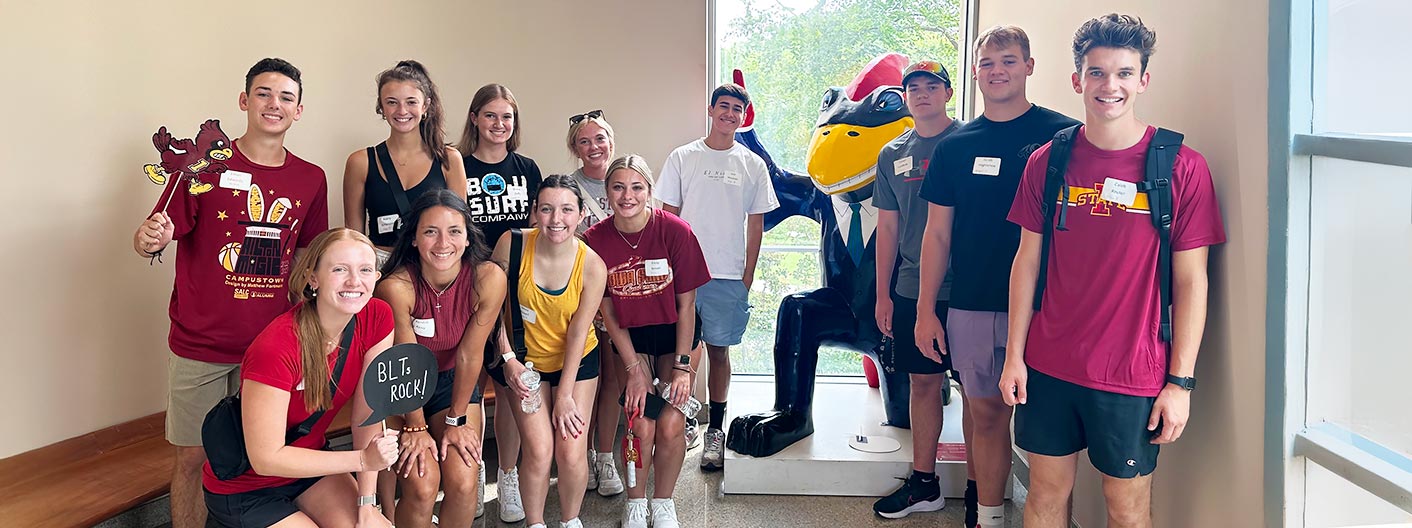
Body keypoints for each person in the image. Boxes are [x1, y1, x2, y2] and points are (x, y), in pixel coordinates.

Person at [999, 14, 1225, 528]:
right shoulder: (1046, 162)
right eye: (1097, 73)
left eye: (1124, 73)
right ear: (1077, 80)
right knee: (1045, 497)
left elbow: (1193, 282)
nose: (1110, 86)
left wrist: (1181, 383)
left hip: (1133, 373)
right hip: (1049, 365)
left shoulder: (1181, 168)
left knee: (1126, 511)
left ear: (1143, 80)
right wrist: (1014, 356)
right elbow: (1025, 262)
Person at [132, 58, 329, 528]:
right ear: (244, 101)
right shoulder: (203, 169)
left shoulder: (311, 179)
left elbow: (308, 261)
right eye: (263, 93)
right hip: (199, 347)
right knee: (191, 461)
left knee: (258, 464)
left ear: (299, 110)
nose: (273, 105)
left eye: (285, 97)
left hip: (270, 350)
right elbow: (157, 234)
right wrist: (147, 239)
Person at [914, 26, 1081, 527]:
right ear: (974, 73)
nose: (997, 71)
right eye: (987, 63)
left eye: (1008, 60)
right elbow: (936, 236)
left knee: (1051, 435)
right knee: (985, 418)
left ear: (1029, 66)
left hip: (1047, 307)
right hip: (973, 304)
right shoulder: (955, 147)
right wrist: (926, 310)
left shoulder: (1065, 138)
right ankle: (986, 518)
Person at [201, 228, 397, 528]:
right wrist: (361, 461)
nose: (354, 281)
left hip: (309, 467)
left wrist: (367, 504)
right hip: (247, 487)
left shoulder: (378, 317)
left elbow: (367, 416)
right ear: (313, 278)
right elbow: (266, 458)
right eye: (339, 269)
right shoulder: (276, 346)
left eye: (365, 270)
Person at [654, 83, 778, 471]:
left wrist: (747, 276)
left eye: (736, 109)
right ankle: (684, 421)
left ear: (744, 116)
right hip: (684, 274)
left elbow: (755, 225)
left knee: (720, 351)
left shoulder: (752, 164)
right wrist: (668, 271)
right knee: (682, 354)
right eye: (723, 106)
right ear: (711, 110)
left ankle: (715, 432)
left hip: (727, 274)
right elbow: (667, 218)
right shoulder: (683, 156)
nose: (729, 114)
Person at [584, 155, 710, 528]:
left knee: (671, 422)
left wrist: (683, 367)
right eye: (618, 187)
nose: (628, 195)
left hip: (677, 334)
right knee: (640, 421)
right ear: (607, 193)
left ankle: (664, 501)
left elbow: (688, 305)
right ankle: (636, 500)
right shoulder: (595, 240)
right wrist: (633, 368)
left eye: (637, 187)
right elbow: (606, 311)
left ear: (650, 191)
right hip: (629, 335)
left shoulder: (675, 231)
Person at [373, 190, 506, 527]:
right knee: (421, 482)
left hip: (451, 383)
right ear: (414, 238)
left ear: (467, 237)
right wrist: (416, 426)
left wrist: (456, 420)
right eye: (430, 231)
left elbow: (469, 354)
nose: (442, 242)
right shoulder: (397, 286)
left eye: (454, 231)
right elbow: (406, 363)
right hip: (398, 387)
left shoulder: (487, 278)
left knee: (464, 479)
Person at [869, 59, 962, 520]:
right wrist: (883, 293)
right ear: (905, 98)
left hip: (969, 290)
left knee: (981, 394)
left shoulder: (968, 141)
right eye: (914, 87)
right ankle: (925, 483)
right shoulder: (892, 154)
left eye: (932, 86)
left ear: (947, 92)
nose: (922, 93)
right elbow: (887, 228)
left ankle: (985, 494)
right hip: (910, 287)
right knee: (923, 383)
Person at [488, 175, 607, 528]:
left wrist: (566, 395)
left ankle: (571, 520)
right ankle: (535, 523)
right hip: (523, 361)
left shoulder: (592, 265)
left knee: (571, 449)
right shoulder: (511, 245)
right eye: (547, 209)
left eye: (567, 209)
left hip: (576, 361)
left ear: (582, 214)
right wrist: (507, 359)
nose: (557, 219)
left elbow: (578, 333)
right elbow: (491, 311)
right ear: (534, 212)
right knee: (539, 450)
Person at [457, 82, 541, 522]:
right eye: (490, 115)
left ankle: (507, 473)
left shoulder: (527, 169)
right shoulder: (456, 164)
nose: (498, 124)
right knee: (470, 383)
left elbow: (536, 231)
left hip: (512, 290)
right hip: (466, 286)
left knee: (509, 386)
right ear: (474, 118)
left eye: (506, 116)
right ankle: (471, 475)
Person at [342, 60, 468, 267]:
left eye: (411, 102)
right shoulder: (360, 162)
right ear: (381, 107)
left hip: (432, 266)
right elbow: (354, 237)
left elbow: (458, 229)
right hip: (381, 266)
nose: (402, 110)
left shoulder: (449, 160)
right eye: (392, 102)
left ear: (425, 105)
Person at [565, 110, 628, 496]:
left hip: (622, 295)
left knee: (613, 382)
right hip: (580, 296)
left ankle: (605, 456)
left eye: (600, 139)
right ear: (574, 147)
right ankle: (580, 454)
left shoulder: (627, 179)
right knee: (586, 379)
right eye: (585, 141)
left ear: (611, 141)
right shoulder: (567, 188)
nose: (594, 147)